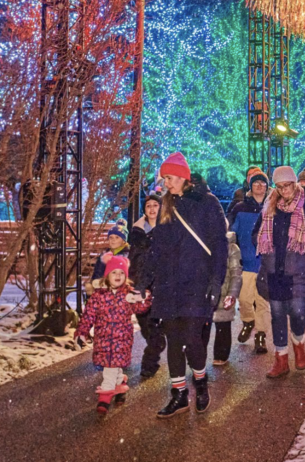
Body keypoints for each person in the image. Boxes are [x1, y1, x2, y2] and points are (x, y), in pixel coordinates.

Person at [144, 152, 228, 418]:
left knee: (192, 338)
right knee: (174, 339)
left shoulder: (207, 202)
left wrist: (217, 280)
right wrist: (145, 281)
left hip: (197, 281)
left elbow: (219, 245)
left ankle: (200, 382)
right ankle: (178, 394)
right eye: (164, 178)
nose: (165, 183)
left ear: (182, 176)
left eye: (169, 178)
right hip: (169, 284)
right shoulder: (166, 205)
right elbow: (158, 247)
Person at [252, 166, 305, 378]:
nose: (283, 190)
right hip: (273, 270)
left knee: (298, 313)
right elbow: (256, 233)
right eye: (280, 186)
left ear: (294, 184)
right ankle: (281, 358)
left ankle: (299, 345)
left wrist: (303, 246)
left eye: (287, 185)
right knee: (276, 315)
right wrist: (264, 244)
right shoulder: (269, 207)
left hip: (297, 270)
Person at [75, 255, 152, 414]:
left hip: (122, 340)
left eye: (122, 273)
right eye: (114, 272)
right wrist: (82, 332)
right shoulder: (99, 296)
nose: (118, 276)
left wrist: (143, 298)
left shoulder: (129, 295)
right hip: (103, 339)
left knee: (111, 367)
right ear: (107, 275)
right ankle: (120, 385)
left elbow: (141, 309)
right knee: (110, 366)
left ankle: (105, 396)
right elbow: (89, 314)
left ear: (126, 276)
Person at [227, 169, 271, 354]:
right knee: (244, 299)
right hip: (246, 260)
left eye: (263, 183)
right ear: (250, 186)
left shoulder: (273, 207)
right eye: (256, 183)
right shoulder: (240, 208)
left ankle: (261, 335)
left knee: (263, 302)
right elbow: (231, 231)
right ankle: (248, 321)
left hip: (266, 263)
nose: (259, 186)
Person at [129, 193, 165, 378]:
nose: (152, 209)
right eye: (148, 206)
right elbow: (133, 262)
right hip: (143, 287)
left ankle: (148, 364)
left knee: (157, 335)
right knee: (148, 329)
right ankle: (151, 358)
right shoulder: (137, 233)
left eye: (155, 205)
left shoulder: (168, 229)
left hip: (163, 287)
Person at [203, 229, 242, 366]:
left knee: (223, 327)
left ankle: (221, 355)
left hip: (223, 292)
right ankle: (198, 358)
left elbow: (236, 273)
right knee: (202, 329)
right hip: (204, 294)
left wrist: (232, 294)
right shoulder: (201, 244)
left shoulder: (231, 248)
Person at [89, 220, 130, 286]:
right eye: (111, 237)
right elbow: (97, 273)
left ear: (123, 241)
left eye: (117, 237)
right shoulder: (104, 255)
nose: (113, 240)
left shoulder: (130, 255)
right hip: (104, 287)